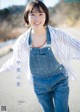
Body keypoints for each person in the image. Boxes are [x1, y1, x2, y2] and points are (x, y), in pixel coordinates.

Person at [0, 0, 80, 112]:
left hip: (59, 80)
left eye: (41, 14)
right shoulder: (22, 41)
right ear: (27, 17)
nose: (37, 19)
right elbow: (15, 60)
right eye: (32, 14)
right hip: (39, 84)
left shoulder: (56, 34)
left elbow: (76, 45)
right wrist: (2, 69)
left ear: (46, 16)